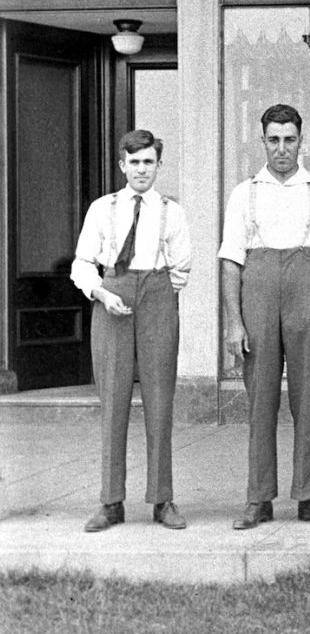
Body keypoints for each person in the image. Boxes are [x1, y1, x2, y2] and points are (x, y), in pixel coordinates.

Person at [220, 103, 310, 530]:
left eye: (289, 139)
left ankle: (308, 497)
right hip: (257, 292)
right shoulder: (245, 192)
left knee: (307, 400)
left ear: (300, 141)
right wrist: (235, 322)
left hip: (304, 290)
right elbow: (230, 261)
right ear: (263, 141)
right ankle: (259, 498)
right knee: (261, 399)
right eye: (273, 140)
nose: (281, 148)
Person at [70, 129, 191, 533]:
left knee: (160, 401)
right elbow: (82, 263)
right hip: (112, 294)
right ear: (122, 165)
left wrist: (154, 294)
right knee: (114, 401)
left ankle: (162, 500)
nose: (142, 169)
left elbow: (181, 268)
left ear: (159, 166)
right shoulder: (102, 208)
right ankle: (111, 501)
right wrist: (104, 294)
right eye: (134, 162)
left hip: (156, 295)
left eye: (149, 162)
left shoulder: (171, 211)